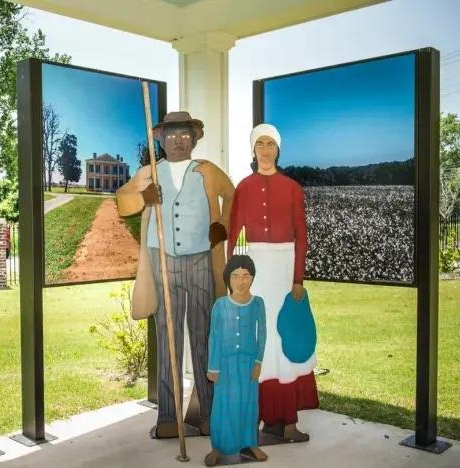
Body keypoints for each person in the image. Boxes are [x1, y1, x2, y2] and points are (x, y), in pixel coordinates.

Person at [116, 111, 235, 438]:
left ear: (194, 139)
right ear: (161, 139)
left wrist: (221, 225)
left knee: (203, 336)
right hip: (161, 261)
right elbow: (122, 201)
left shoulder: (207, 171)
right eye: (171, 135)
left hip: (199, 260)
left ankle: (208, 414)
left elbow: (233, 195)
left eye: (184, 134)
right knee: (168, 340)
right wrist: (144, 197)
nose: (178, 140)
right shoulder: (150, 172)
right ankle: (168, 418)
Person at [226, 123, 318, 442]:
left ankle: (288, 422)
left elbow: (302, 236)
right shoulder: (244, 187)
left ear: (278, 150)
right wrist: (233, 280)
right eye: (260, 144)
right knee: (259, 339)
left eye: (271, 144)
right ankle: (255, 419)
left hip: (284, 267)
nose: (265, 149)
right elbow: (232, 235)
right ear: (253, 150)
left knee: (286, 338)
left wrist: (297, 279)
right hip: (256, 268)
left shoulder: (292, 187)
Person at [204, 255, 268, 466]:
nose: (241, 281)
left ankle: (250, 442)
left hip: (249, 364)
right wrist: (213, 367)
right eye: (235, 276)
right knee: (223, 404)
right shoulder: (220, 305)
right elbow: (213, 337)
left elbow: (263, 334)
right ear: (228, 279)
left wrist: (258, 361)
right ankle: (218, 446)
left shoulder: (258, 304)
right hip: (225, 365)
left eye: (246, 276)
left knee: (249, 404)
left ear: (252, 278)